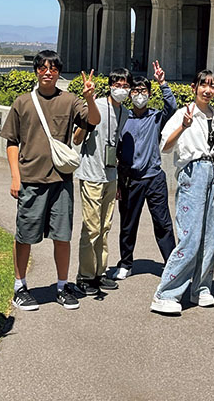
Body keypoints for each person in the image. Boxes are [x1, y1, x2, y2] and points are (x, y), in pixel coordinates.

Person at [3, 51, 100, 311]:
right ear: (35, 71)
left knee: (62, 235)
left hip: (61, 181)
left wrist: (90, 98)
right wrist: (15, 176)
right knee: (24, 235)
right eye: (43, 68)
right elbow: (12, 142)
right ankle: (20, 286)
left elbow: (93, 120)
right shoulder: (22, 102)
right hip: (30, 179)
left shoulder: (69, 100)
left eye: (54, 68)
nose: (48, 72)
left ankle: (61, 285)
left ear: (59, 72)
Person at [150, 70, 214, 314]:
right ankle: (166, 292)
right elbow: (164, 146)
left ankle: (201, 288)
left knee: (210, 235)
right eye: (203, 85)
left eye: (213, 86)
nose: (208, 90)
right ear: (194, 88)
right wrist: (184, 127)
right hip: (193, 173)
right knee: (190, 236)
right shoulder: (181, 114)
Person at [114, 61, 177, 281]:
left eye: (143, 91)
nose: (139, 94)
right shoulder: (123, 118)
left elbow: (173, 108)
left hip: (154, 178)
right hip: (130, 179)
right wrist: (118, 183)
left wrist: (163, 83)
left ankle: (172, 264)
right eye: (135, 91)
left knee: (163, 223)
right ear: (129, 93)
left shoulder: (156, 117)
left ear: (149, 93)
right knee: (128, 224)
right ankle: (126, 263)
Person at [72, 68, 130, 295]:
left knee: (105, 227)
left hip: (111, 176)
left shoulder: (124, 112)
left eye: (126, 86)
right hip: (91, 174)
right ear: (110, 85)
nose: (122, 90)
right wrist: (87, 116)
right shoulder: (96, 105)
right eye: (118, 85)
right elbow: (77, 138)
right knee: (92, 227)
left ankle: (100, 272)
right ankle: (85, 275)